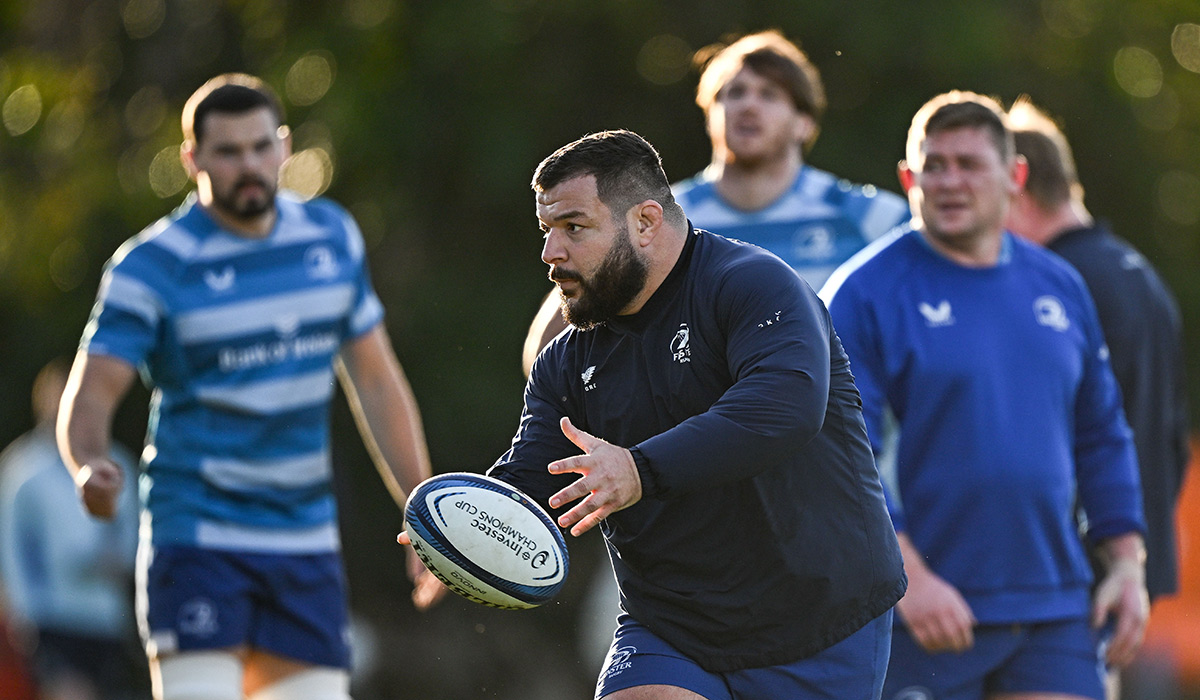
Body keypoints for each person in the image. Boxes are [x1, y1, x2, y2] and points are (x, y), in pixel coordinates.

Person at [405, 129, 907, 699]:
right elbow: (535, 482)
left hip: (817, 619)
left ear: (645, 222)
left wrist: (640, 470)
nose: (550, 253)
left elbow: (783, 407)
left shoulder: (753, 284)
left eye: (573, 227)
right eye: (547, 232)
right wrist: (458, 527)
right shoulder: (565, 362)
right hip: (672, 628)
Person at [57, 73, 443, 700]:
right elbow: (94, 391)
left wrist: (422, 511)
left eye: (261, 147)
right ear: (192, 159)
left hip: (304, 539)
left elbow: (375, 379)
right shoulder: (149, 265)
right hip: (197, 536)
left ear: (285, 146)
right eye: (228, 153)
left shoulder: (330, 236)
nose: (250, 166)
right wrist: (88, 464)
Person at [820, 91, 1149, 700]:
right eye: (933, 165)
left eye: (970, 164)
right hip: (925, 605)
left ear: (1015, 176)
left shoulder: (1060, 284)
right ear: (907, 178)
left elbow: (1102, 432)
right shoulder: (864, 292)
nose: (949, 181)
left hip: (1052, 604)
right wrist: (908, 578)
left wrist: (1128, 565)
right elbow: (838, 453)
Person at [521, 30, 910, 374]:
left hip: (830, 447)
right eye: (733, 93)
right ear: (709, 115)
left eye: (769, 94)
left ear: (804, 122)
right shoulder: (655, 217)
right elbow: (546, 352)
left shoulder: (872, 217)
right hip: (692, 449)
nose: (748, 106)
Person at [1004, 96, 1191, 605]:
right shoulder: (1138, 271)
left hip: (1072, 571)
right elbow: (1172, 432)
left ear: (1015, 186)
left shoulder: (1055, 286)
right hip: (1127, 565)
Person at [0, 359, 146, 700]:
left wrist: (120, 564)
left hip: (107, 617)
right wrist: (24, 614)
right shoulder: (22, 471)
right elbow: (11, 549)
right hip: (52, 615)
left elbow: (135, 537)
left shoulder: (118, 464)